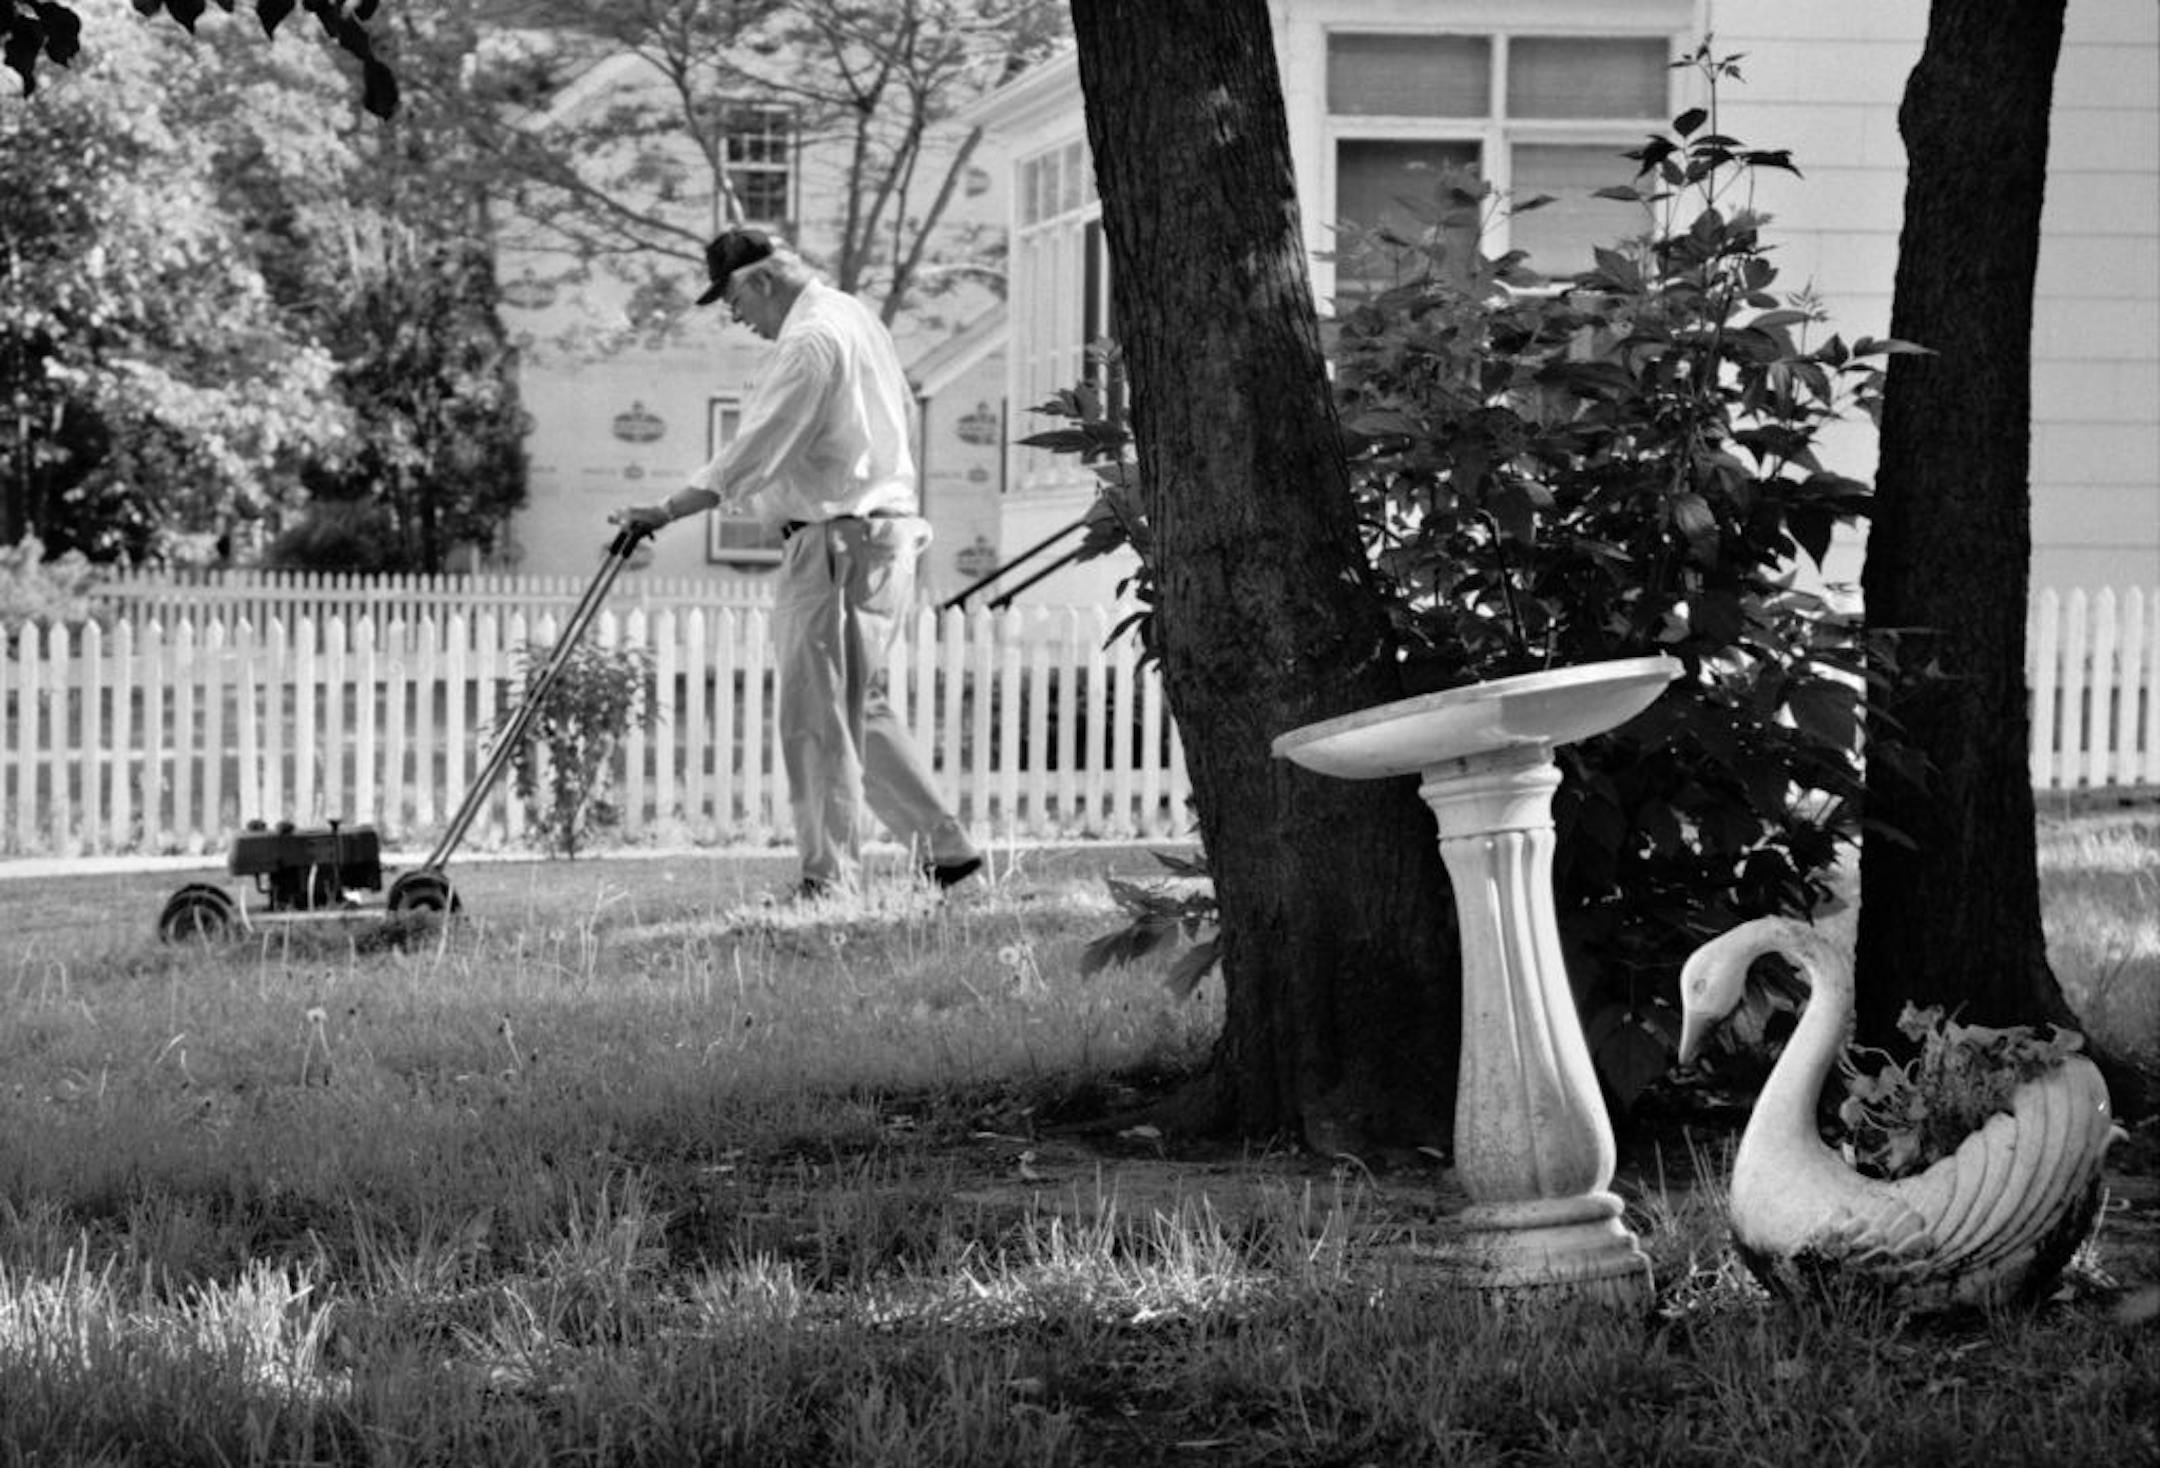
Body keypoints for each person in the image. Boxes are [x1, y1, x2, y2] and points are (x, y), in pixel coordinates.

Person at [616, 229, 982, 900]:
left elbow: (757, 450)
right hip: (876, 535)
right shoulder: (854, 315)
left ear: (761, 280)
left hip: (836, 541)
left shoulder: (809, 340)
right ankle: (947, 852)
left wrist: (665, 510)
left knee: (814, 718)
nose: (734, 317)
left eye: (732, 299)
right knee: (856, 707)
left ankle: (829, 879)